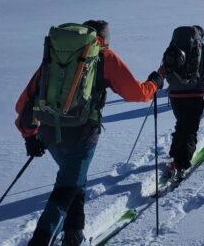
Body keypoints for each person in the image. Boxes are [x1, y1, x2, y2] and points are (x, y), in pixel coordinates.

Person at [15, 20, 162, 246]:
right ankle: (40, 241)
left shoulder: (55, 56)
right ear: (103, 39)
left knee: (75, 181)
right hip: (82, 136)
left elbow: (23, 103)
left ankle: (74, 234)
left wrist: (30, 136)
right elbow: (137, 94)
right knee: (66, 188)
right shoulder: (104, 57)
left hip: (48, 133)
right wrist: (154, 83)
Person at [158, 25, 204, 180]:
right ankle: (181, 163)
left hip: (175, 96)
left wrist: (155, 83)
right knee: (190, 129)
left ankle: (175, 154)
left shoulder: (173, 48)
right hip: (196, 95)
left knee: (181, 123)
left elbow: (162, 70)